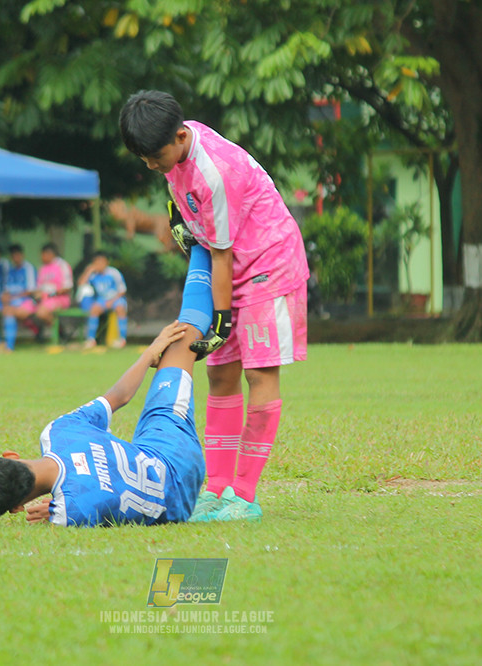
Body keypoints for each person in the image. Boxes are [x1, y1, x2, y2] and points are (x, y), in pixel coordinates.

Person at [119, 90, 310, 522]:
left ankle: (243, 495)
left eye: (154, 155)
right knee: (220, 374)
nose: (151, 164)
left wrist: (218, 322)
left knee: (259, 374)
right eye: (143, 158)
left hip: (268, 266)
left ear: (180, 136)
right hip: (231, 265)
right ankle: (217, 488)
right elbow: (204, 236)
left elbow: (221, 253)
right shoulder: (175, 158)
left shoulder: (215, 171)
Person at [0, 248, 215, 526]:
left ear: (17, 507)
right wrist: (150, 352)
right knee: (181, 338)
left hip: (179, 501)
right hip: (171, 451)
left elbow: (89, 499)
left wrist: (57, 510)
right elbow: (121, 396)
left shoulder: (70, 512)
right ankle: (202, 242)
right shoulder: (59, 431)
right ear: (10, 456)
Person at [76, 250, 129, 349]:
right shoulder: (93, 274)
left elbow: (122, 290)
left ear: (106, 262)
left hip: (115, 298)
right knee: (94, 309)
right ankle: (91, 340)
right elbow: (81, 284)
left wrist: (111, 301)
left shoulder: (114, 273)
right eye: (97, 262)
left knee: (120, 308)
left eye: (101, 262)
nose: (99, 265)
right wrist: (88, 271)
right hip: (101, 300)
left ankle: (122, 339)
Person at [30, 242, 74, 340]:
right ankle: (40, 332)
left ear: (50, 254)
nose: (41, 257)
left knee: (41, 313)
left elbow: (67, 288)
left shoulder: (62, 265)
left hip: (60, 298)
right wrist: (38, 294)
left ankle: (61, 332)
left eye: (43, 254)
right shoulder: (42, 268)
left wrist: (50, 294)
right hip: (44, 299)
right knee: (27, 308)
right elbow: (39, 287)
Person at [1, 244, 38, 352]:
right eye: (13, 256)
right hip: (13, 303)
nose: (15, 258)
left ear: (22, 255)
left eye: (17, 255)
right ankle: (7, 345)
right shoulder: (10, 270)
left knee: (9, 312)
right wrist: (5, 297)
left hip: (27, 302)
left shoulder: (28, 268)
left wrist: (13, 297)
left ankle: (9, 346)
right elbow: (6, 289)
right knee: (7, 311)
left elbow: (30, 291)